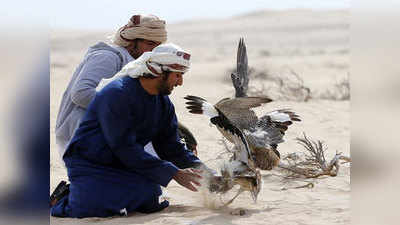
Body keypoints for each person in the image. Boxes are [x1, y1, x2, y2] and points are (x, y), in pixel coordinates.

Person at [50, 43, 206, 218]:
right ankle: (62, 199)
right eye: (177, 75)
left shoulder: (163, 103)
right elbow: (123, 146)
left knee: (151, 200)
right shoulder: (116, 94)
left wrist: (207, 173)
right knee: (92, 208)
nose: (180, 82)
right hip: (90, 163)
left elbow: (171, 147)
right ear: (158, 71)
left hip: (125, 163)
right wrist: (174, 173)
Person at [55, 14, 167, 159]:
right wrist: (129, 109)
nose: (153, 51)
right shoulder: (108, 57)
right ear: (132, 41)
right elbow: (81, 94)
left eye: (158, 46)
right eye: (150, 44)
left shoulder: (137, 63)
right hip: (84, 133)